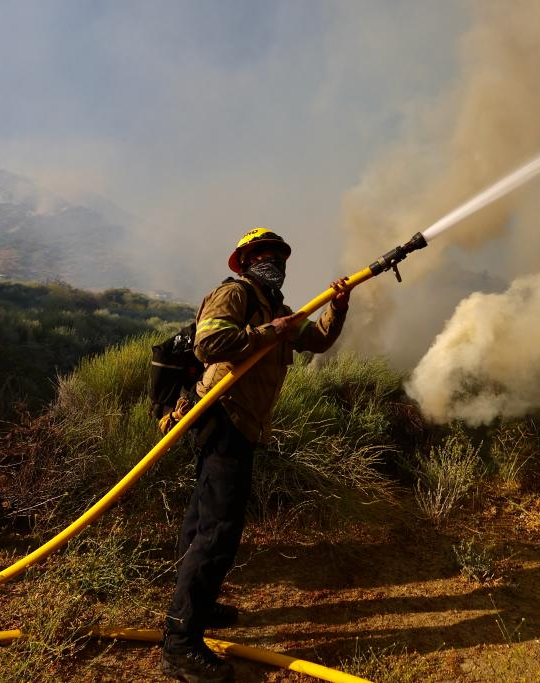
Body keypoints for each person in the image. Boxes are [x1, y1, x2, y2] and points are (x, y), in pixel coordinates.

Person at [161, 228, 350, 683]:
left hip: (242, 424)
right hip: (222, 415)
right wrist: (270, 332)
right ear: (245, 261)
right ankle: (180, 644)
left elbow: (316, 340)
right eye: (263, 254)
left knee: (203, 520)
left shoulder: (278, 309)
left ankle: (197, 605)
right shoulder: (235, 295)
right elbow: (210, 344)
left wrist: (337, 307)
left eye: (278, 255)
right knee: (218, 532)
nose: (273, 262)